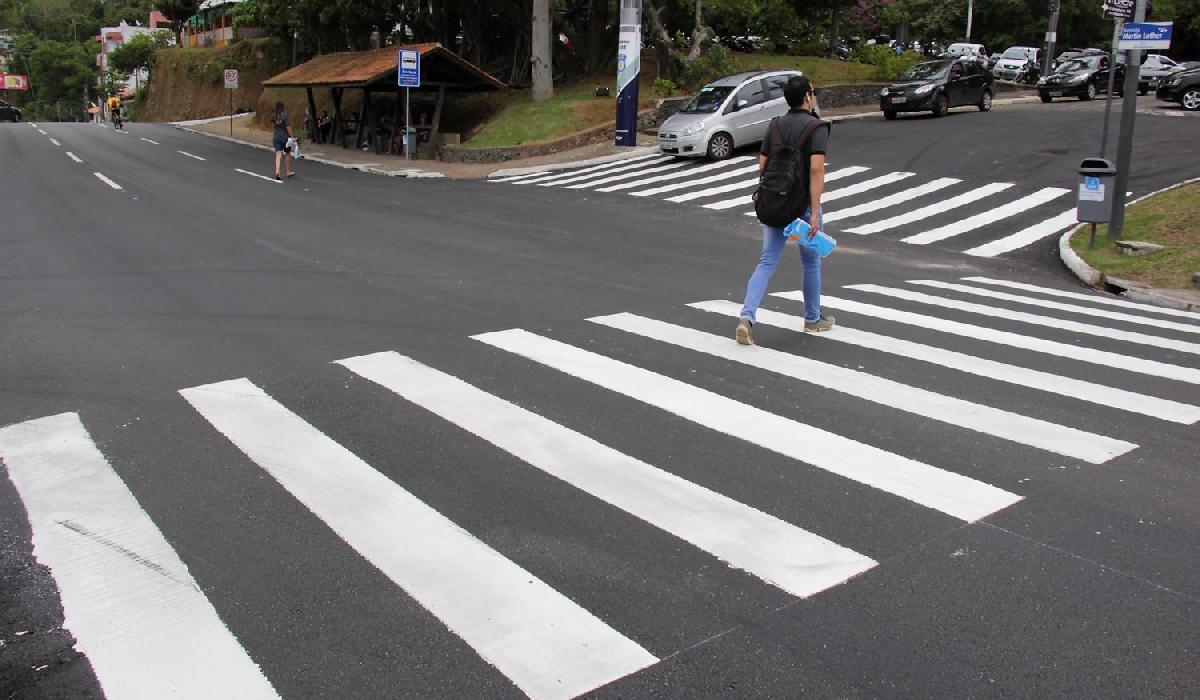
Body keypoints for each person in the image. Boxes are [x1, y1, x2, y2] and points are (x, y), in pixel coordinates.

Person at [736, 75, 834, 345]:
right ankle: (812, 319)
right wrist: (814, 211)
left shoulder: (775, 126)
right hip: (801, 206)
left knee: (767, 261)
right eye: (813, 92)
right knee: (811, 262)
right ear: (806, 97)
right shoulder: (817, 128)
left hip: (775, 203)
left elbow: (763, 166)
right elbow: (816, 169)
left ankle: (747, 317)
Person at [270, 101, 295, 180]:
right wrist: (292, 137)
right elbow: (288, 127)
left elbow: (273, 126)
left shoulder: (273, 115)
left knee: (278, 154)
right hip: (285, 139)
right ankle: (288, 171)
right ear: (283, 107)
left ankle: (277, 172)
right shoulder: (285, 115)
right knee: (288, 153)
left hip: (276, 137)